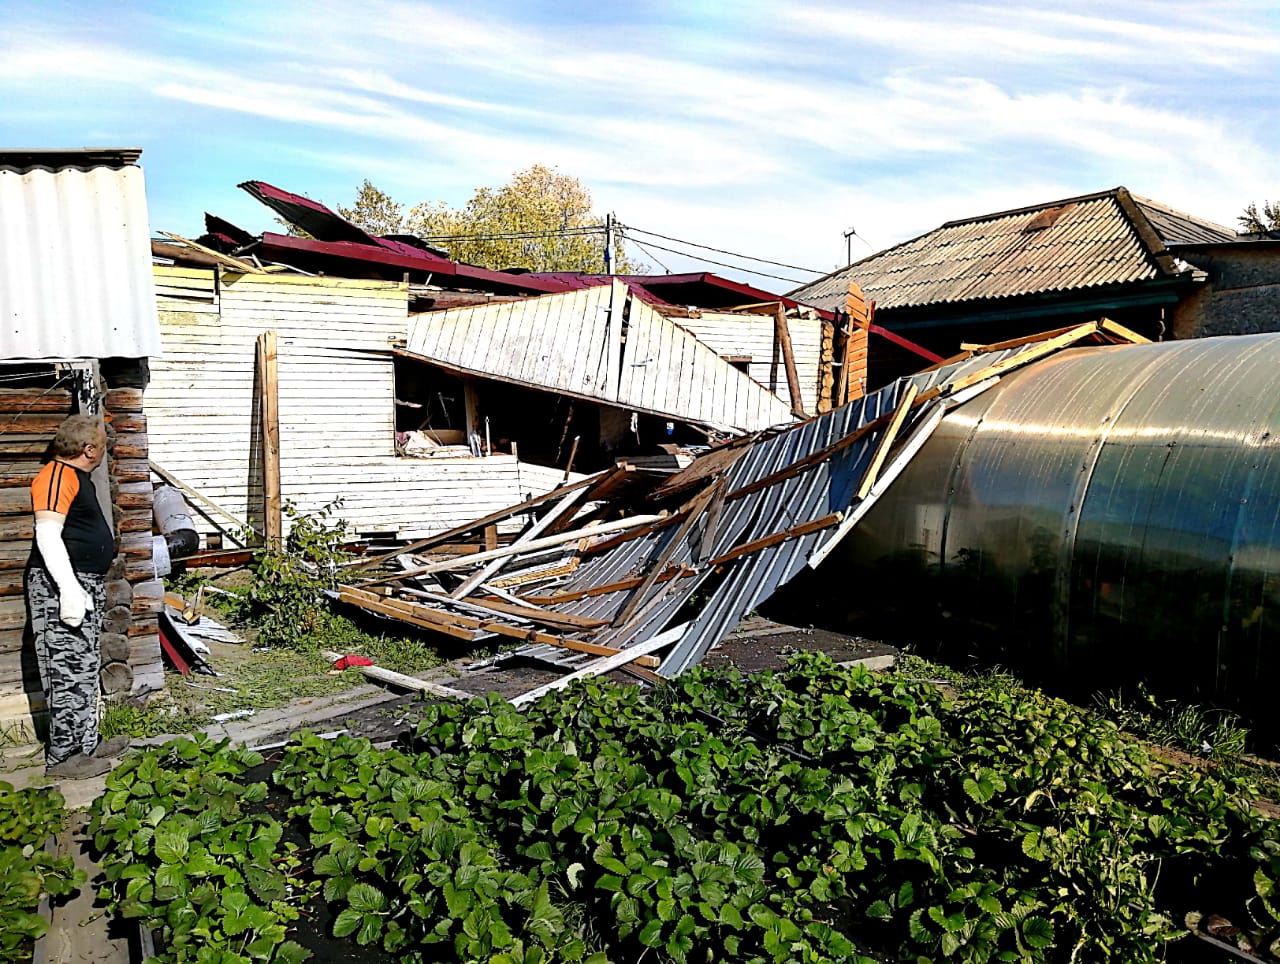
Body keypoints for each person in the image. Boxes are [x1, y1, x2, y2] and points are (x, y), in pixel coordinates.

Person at [26, 414, 128, 779]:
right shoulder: (55, 476)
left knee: (83, 669)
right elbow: (48, 536)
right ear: (89, 449)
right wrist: (69, 590)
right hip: (59, 588)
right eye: (102, 446)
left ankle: (87, 743)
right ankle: (64, 758)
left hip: (83, 583)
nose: (104, 452)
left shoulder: (74, 477)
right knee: (65, 673)